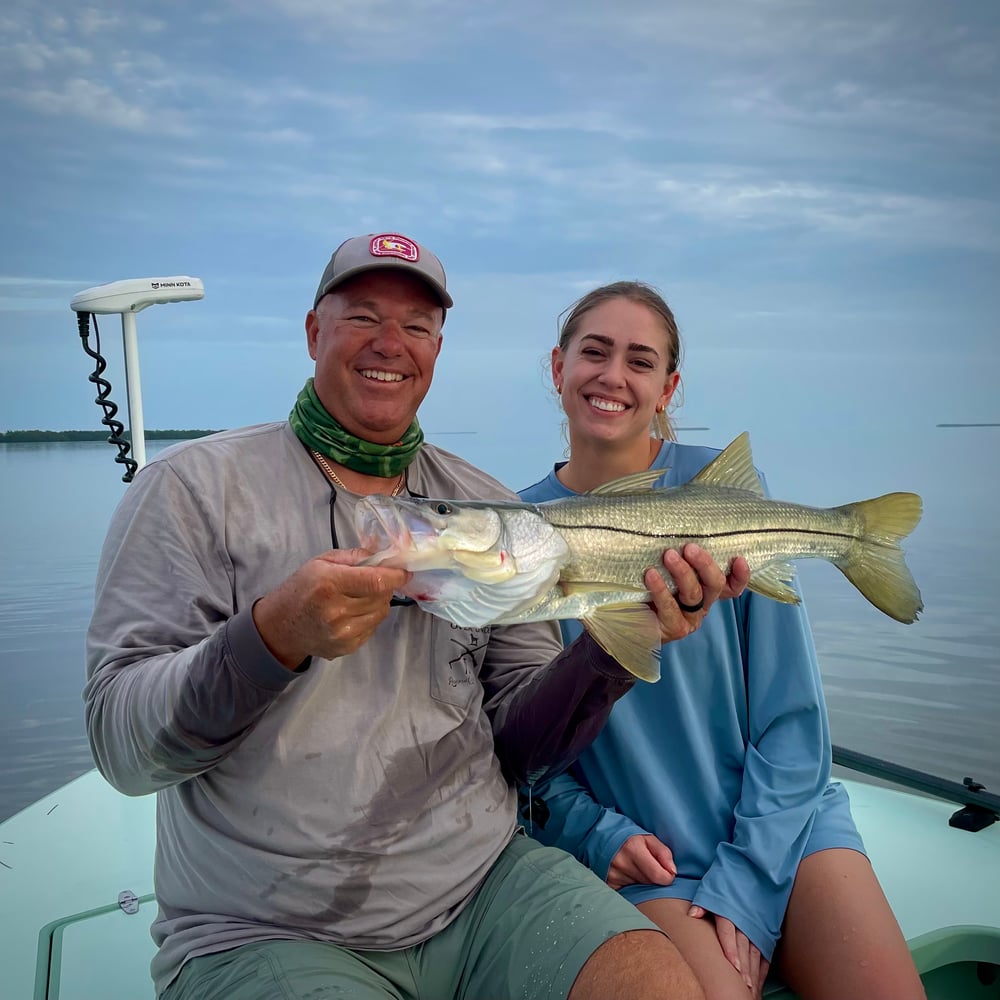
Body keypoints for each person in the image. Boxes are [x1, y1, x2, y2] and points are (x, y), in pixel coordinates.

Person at [84, 235, 751, 1000]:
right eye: (362, 316)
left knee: (658, 985)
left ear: (437, 349)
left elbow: (522, 748)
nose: (389, 344)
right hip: (265, 923)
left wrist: (608, 650)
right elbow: (122, 749)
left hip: (485, 886)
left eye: (417, 326)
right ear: (312, 332)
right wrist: (272, 638)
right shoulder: (191, 489)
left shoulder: (491, 510)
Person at [518, 281, 927, 1000]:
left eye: (640, 361)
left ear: (668, 387)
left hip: (785, 826)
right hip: (649, 852)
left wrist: (749, 875)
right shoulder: (514, 533)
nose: (613, 375)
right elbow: (527, 743)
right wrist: (595, 835)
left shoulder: (725, 492)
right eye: (594, 352)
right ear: (557, 368)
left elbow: (792, 716)